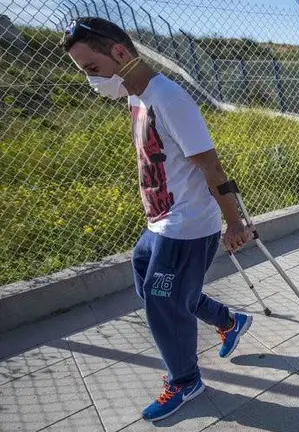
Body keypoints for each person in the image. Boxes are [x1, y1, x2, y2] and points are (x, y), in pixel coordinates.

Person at [59, 17, 254, 422]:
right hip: (160, 219)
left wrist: (234, 224)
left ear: (119, 53)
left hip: (186, 226)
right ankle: (229, 320)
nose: (93, 81)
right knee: (151, 285)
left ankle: (185, 381)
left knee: (163, 304)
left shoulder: (170, 99)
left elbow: (213, 169)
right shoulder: (136, 95)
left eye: (93, 70)